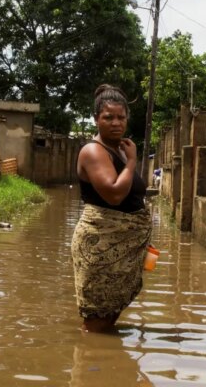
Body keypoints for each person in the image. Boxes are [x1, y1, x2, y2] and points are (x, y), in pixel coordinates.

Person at [71, 84, 152, 333]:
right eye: (108, 117)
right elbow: (115, 194)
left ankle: (106, 367)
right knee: (95, 324)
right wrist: (131, 162)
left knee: (107, 321)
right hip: (101, 247)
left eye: (121, 117)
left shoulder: (118, 149)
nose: (116, 123)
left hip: (122, 249)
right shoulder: (94, 151)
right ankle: (90, 364)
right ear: (96, 119)